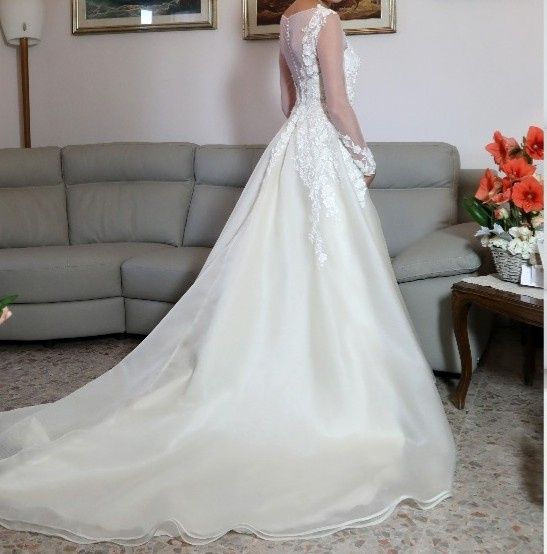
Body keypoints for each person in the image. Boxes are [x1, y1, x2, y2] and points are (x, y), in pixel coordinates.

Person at [0, 0, 456, 546]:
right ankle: (335, 393)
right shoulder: (328, 21)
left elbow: (289, 104)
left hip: (292, 149)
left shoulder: (287, 20)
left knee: (286, 270)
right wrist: (364, 159)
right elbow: (336, 104)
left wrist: (312, 139)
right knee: (333, 275)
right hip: (324, 154)